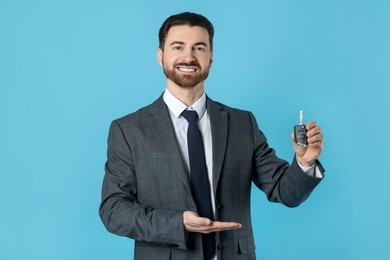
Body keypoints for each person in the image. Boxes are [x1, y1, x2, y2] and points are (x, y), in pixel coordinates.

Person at [99, 12, 324, 260]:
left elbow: (285, 192)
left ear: (211, 58)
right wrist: (178, 223)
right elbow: (113, 211)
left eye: (199, 47)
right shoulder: (128, 130)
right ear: (160, 56)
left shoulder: (242, 124)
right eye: (178, 47)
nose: (189, 56)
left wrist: (304, 162)